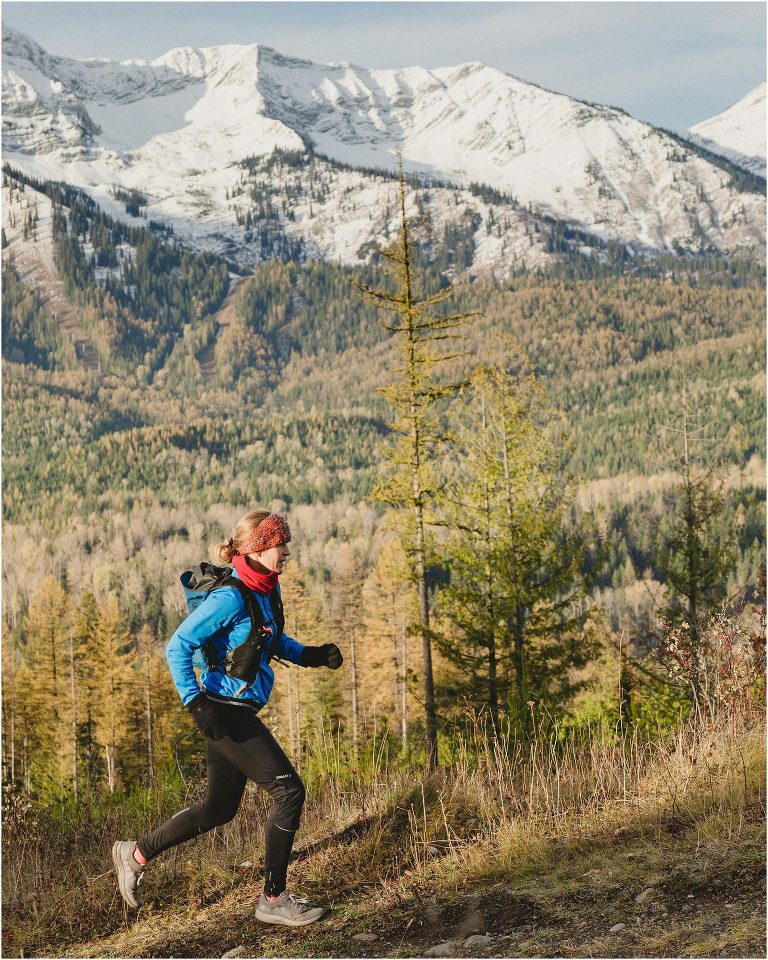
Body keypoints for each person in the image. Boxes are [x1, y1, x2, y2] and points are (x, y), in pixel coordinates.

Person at [112, 510, 343, 926]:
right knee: (289, 791)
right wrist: (196, 705)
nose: (287, 551)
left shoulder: (265, 589)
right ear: (257, 548)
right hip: (224, 712)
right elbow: (177, 646)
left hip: (237, 708)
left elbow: (268, 637)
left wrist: (308, 655)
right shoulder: (231, 596)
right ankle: (273, 899)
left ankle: (136, 853)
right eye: (280, 544)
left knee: (218, 808)